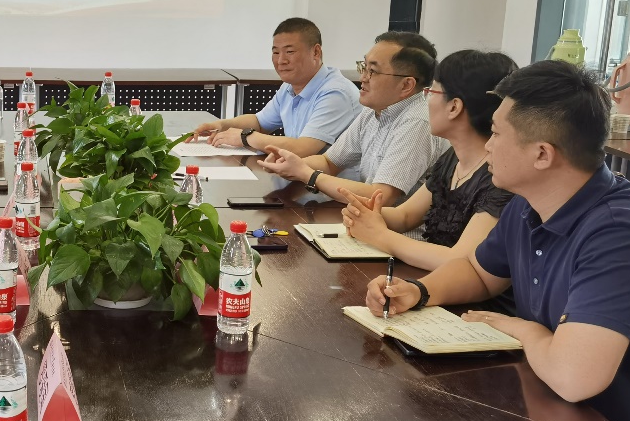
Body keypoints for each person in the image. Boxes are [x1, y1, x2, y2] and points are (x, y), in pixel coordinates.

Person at [366, 61, 630, 421]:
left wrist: (526, 330)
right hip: (546, 410)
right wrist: (418, 291)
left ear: (542, 154)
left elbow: (574, 378)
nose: (487, 145)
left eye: (497, 133)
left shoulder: (620, 233)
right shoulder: (529, 203)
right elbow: (479, 272)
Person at [339, 49, 517, 267]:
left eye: (431, 92)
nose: (427, 101)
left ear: (454, 107)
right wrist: (367, 213)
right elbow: (405, 216)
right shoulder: (453, 158)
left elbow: (460, 261)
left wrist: (379, 234)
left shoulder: (498, 175)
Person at [259, 31, 448, 207]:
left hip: (395, 229)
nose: (363, 78)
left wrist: (308, 174)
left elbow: (381, 197)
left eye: (373, 71)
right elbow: (330, 162)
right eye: (363, 67)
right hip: (365, 221)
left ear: (406, 85)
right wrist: (290, 164)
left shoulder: (418, 122)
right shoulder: (373, 111)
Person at [192, 18, 360, 156]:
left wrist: (245, 137)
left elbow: (303, 148)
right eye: (276, 52)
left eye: (290, 52)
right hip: (301, 178)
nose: (281, 61)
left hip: (334, 184)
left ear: (316, 52)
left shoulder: (336, 93)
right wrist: (222, 125)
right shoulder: (289, 87)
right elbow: (259, 122)